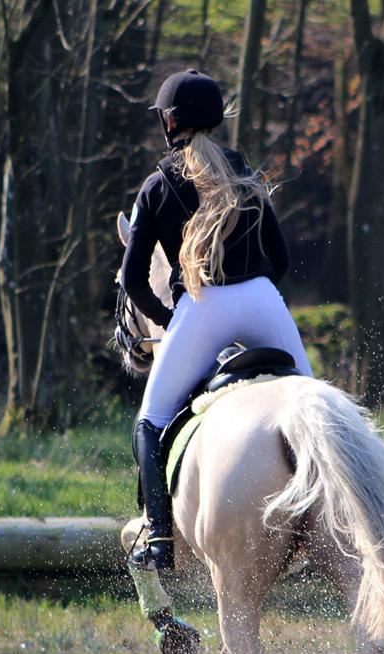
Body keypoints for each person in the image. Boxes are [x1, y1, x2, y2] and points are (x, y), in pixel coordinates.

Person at [121, 69, 314, 571]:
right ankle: (332, 523)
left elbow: (133, 280)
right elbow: (282, 257)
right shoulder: (245, 172)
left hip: (202, 308)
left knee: (149, 420)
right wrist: (258, 293)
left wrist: (170, 322)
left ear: (169, 122)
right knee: (317, 407)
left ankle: (159, 537)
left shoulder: (156, 185)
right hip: (262, 300)